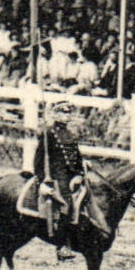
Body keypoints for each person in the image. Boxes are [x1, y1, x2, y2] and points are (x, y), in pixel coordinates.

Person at [34, 101, 105, 261]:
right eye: (63, 113)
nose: (66, 116)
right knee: (66, 203)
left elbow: (76, 156)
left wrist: (82, 165)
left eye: (68, 113)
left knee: (90, 194)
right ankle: (62, 245)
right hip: (56, 175)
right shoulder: (48, 134)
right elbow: (38, 161)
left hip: (72, 174)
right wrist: (42, 181)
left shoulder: (71, 135)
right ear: (55, 114)